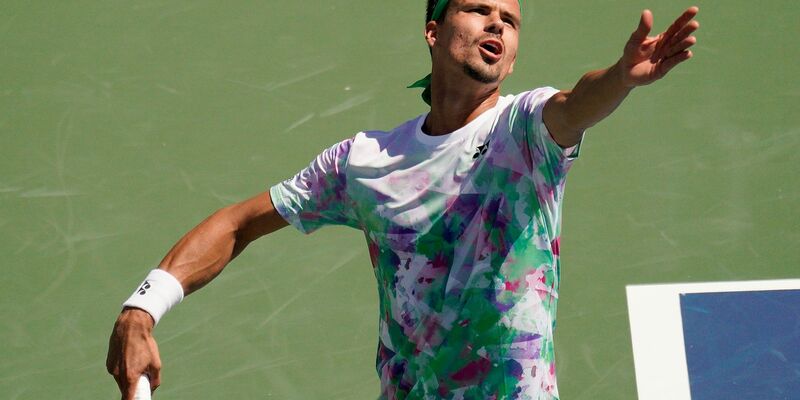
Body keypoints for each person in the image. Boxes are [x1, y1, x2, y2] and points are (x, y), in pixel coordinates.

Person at [107, 1, 699, 398]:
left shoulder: (524, 133)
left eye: (509, 21)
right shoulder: (364, 161)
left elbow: (574, 106)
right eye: (477, 10)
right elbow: (240, 223)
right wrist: (142, 308)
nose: (496, 25)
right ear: (434, 31)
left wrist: (621, 77)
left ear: (514, 55)